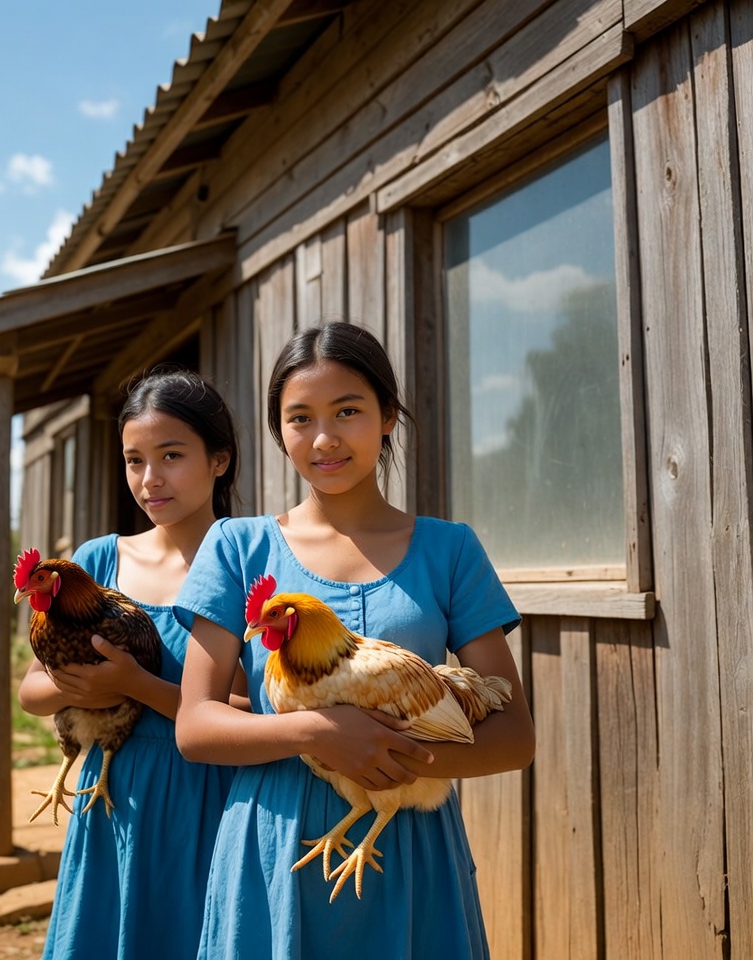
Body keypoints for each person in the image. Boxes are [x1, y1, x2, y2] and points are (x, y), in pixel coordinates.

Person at [174, 321, 535, 959]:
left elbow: (513, 737)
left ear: (389, 416)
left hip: (410, 844)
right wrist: (317, 733)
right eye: (299, 418)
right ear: (278, 432)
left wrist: (383, 757)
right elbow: (196, 727)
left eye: (348, 411)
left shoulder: (449, 550)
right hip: (273, 844)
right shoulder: (235, 547)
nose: (323, 438)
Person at [18, 368, 242, 960]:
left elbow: (251, 709)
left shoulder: (247, 561)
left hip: (211, 794)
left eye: (171, 455)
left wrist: (135, 685)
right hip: (111, 792)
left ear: (219, 459)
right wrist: (76, 689)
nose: (150, 479)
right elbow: (31, 691)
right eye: (134, 459)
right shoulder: (96, 562)